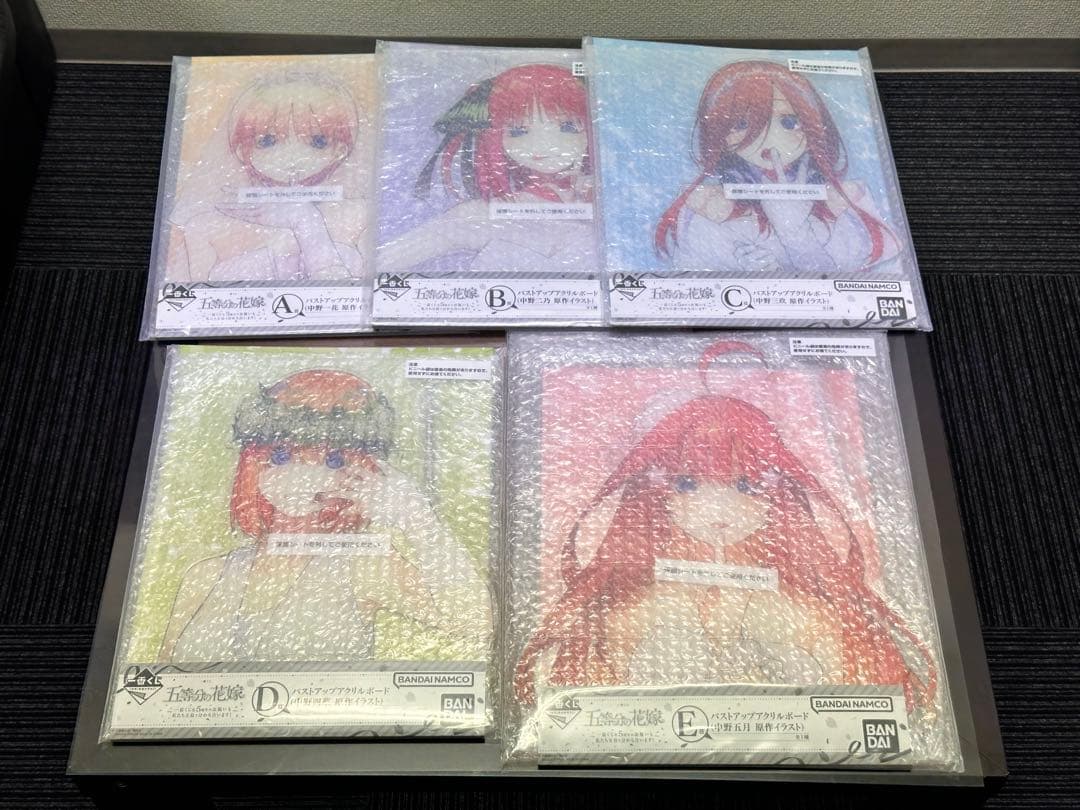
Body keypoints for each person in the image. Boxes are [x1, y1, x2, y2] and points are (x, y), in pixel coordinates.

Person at [514, 341, 936, 712]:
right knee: (666, 618)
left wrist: (785, 630)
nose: (719, 506)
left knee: (783, 624)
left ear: (776, 491)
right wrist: (667, 612)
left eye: (746, 485)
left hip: (781, 715)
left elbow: (825, 627)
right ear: (658, 491)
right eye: (687, 483)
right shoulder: (647, 566)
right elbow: (618, 628)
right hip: (662, 712)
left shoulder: (790, 567)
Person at [159, 369, 489, 662]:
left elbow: (478, 624)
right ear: (253, 461)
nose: (303, 474)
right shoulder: (205, 576)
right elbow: (159, 680)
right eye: (282, 455)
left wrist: (418, 520)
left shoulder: (365, 566)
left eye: (332, 461)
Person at [654, 61, 900, 274]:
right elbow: (692, 285)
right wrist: (750, 273)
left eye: (789, 122)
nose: (769, 138)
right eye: (741, 124)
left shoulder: (844, 200)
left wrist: (796, 233)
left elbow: (850, 287)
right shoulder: (705, 205)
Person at [377, 64, 596, 274]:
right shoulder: (478, 216)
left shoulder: (598, 197)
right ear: (495, 137)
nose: (543, 144)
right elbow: (387, 259)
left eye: (568, 126)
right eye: (518, 131)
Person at [169, 70, 368, 283]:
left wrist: (306, 219)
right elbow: (192, 297)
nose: (292, 156)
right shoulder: (207, 226)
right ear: (240, 150)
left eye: (318, 141)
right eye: (267, 141)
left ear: (340, 150)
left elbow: (365, 294)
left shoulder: (360, 215)